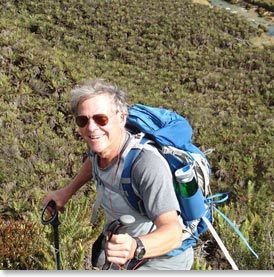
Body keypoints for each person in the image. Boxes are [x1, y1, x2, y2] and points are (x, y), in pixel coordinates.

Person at [42, 78, 194, 270]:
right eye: (83, 120)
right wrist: (67, 191)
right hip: (124, 252)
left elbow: (173, 233)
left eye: (101, 119)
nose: (91, 127)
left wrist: (135, 246)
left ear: (122, 118)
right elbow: (93, 161)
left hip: (162, 260)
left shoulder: (145, 164)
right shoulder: (99, 148)